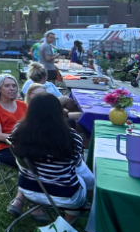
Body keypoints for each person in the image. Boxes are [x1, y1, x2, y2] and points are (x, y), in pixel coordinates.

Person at [9, 93, 89, 223]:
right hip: (64, 196)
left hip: (28, 190)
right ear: (59, 112)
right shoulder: (72, 137)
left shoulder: (18, 130)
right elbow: (77, 165)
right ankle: (67, 227)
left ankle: (64, 227)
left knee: (78, 180)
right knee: (82, 180)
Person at [0, 73, 27, 174]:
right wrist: (21, 138)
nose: (12, 88)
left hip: (28, 145)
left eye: (14, 86)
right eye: (7, 86)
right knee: (34, 164)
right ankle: (26, 188)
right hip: (6, 149)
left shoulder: (22, 105)